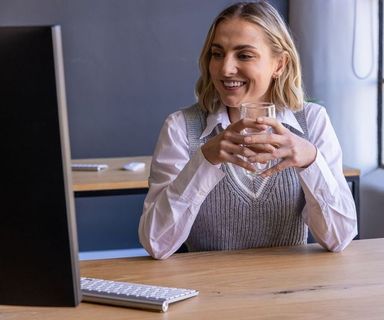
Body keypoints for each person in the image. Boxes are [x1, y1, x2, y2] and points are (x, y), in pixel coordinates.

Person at [139, 1, 357, 259]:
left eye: (244, 55)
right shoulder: (180, 127)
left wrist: (311, 160)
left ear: (279, 64)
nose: (225, 68)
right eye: (217, 54)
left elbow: (339, 238)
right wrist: (204, 161)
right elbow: (157, 244)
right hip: (209, 289)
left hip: (291, 290)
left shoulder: (313, 122)